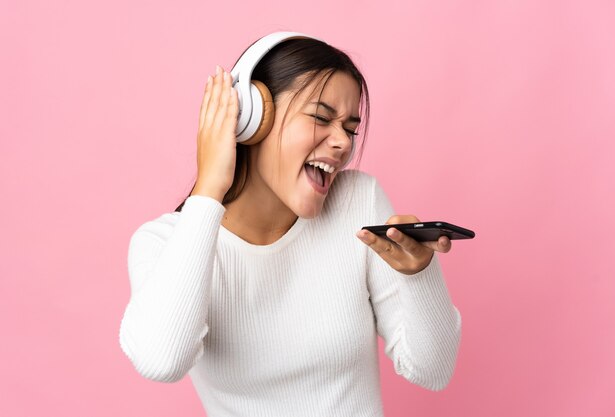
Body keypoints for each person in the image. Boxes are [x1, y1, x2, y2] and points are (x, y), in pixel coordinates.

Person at [119, 32, 462, 417]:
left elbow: (433, 371)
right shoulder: (163, 242)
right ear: (253, 119)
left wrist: (419, 276)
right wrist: (209, 186)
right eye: (320, 117)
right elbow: (162, 361)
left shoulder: (357, 201)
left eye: (350, 129)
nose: (342, 144)